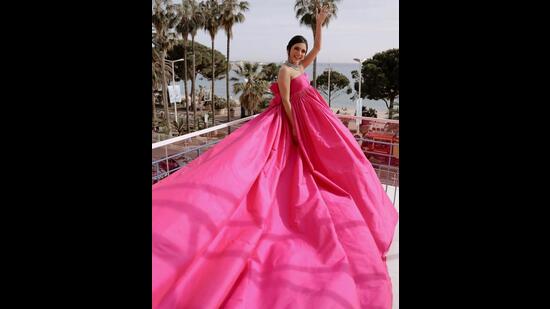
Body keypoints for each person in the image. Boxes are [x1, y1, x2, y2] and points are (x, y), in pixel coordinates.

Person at [152, 5, 398, 309]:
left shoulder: (301, 68)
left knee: (345, 159)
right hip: (293, 123)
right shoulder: (285, 71)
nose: (300, 53)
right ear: (288, 50)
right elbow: (286, 102)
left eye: (302, 50)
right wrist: (295, 132)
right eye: (296, 49)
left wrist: (318, 24)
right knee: (282, 171)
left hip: (312, 121)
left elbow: (319, 47)